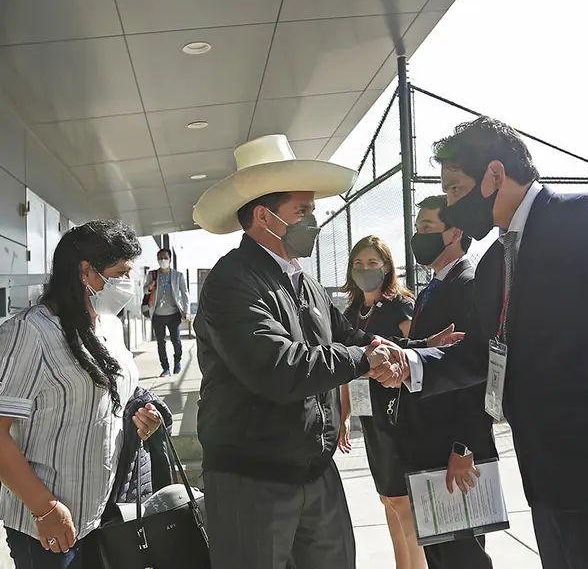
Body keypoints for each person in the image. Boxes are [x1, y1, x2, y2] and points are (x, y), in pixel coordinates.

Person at [386, 117, 588, 569]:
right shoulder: (498, 260)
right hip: (551, 475)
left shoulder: (583, 217)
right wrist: (411, 364)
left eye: (456, 189)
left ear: (495, 175)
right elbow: (483, 349)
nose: (452, 204)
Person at [191, 134, 457, 569]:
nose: (313, 220)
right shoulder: (231, 283)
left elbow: (348, 337)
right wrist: (368, 361)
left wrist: (414, 350)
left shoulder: (304, 281)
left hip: (315, 474)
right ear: (264, 215)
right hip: (252, 483)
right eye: (303, 210)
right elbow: (279, 367)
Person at [0, 220, 163, 569]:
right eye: (120, 273)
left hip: (103, 514)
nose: (128, 284)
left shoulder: (110, 325)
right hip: (48, 527)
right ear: (85, 272)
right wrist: (45, 509)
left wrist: (142, 418)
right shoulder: (31, 333)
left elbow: (115, 397)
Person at [397, 194, 498, 569]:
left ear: (454, 232)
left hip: (454, 455)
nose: (418, 235)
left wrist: (464, 446)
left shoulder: (467, 286)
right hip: (430, 448)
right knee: (441, 555)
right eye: (418, 227)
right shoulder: (436, 286)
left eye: (427, 228)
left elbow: (479, 373)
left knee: (463, 557)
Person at [338, 235, 424, 569]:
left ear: (387, 267)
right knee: (387, 499)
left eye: (373, 263)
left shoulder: (400, 305)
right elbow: (346, 367)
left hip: (399, 413)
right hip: (369, 414)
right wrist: (344, 414)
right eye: (358, 263)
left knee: (403, 501)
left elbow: (419, 352)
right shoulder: (348, 314)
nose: (365, 269)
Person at [144, 247, 189, 377]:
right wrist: (149, 287)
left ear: (170, 259)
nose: (163, 260)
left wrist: (186, 311)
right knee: (160, 343)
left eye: (165, 258)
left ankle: (177, 361)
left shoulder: (177, 275)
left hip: (174, 314)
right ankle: (165, 368)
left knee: (176, 341)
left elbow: (184, 294)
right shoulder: (152, 274)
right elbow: (145, 291)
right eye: (160, 258)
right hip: (158, 314)